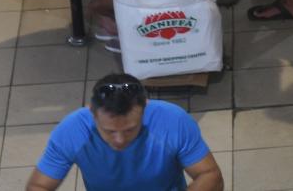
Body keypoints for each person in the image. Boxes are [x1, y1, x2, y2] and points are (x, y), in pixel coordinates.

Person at [25, 73, 223, 191]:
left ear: (145, 108)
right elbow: (38, 186)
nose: (119, 140)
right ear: (92, 113)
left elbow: (210, 175)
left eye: (130, 129)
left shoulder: (172, 120)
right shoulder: (72, 131)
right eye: (109, 131)